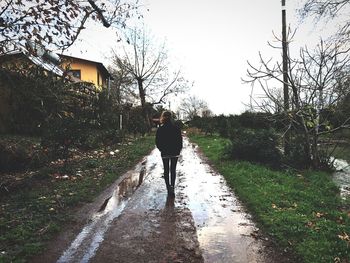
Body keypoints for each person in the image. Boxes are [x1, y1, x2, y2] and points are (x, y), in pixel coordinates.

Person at [155, 111, 183, 197]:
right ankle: (172, 188)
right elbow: (180, 141)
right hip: (175, 152)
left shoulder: (160, 129)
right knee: (173, 170)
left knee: (166, 170)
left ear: (163, 117)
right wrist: (178, 150)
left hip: (165, 152)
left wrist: (161, 149)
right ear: (171, 117)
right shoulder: (176, 128)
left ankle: (168, 188)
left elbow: (157, 141)